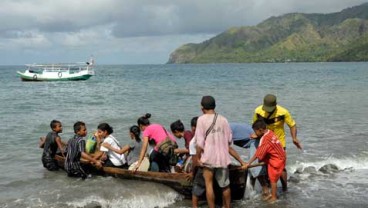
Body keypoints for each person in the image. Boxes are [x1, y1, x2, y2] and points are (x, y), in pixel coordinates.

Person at [195, 96, 247, 208]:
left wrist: (198, 158)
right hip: (223, 159)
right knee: (225, 185)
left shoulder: (201, 120)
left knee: (209, 185)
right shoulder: (223, 119)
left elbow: (199, 143)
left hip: (208, 158)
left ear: (202, 108)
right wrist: (241, 161)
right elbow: (229, 142)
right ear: (214, 106)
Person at [253, 94, 302, 191]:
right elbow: (255, 125)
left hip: (279, 143)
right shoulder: (258, 111)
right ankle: (270, 188)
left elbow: (292, 125)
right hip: (265, 142)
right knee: (266, 165)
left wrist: (294, 138)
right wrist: (256, 135)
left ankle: (284, 188)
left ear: (275, 105)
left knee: (281, 167)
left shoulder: (283, 112)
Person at [245, 119, 286, 203]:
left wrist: (248, 163)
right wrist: (257, 136)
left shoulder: (265, 140)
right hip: (280, 155)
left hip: (277, 160)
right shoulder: (269, 132)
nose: (255, 133)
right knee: (272, 176)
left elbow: (257, 154)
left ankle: (274, 197)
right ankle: (273, 192)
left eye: (255, 132)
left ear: (260, 130)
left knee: (273, 179)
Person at [230, 123, 268, 196]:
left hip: (255, 139)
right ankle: (252, 191)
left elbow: (228, 148)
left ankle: (265, 190)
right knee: (251, 169)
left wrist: (242, 162)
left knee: (255, 168)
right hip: (251, 139)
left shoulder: (222, 130)